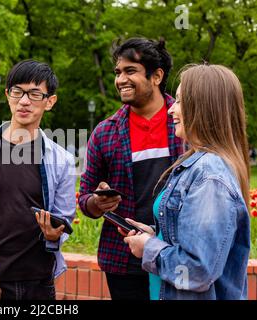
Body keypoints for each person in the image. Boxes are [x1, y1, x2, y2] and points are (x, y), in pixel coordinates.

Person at [123, 64, 251, 300]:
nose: (171, 109)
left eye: (180, 101)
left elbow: (197, 270)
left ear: (204, 108)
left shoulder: (208, 175)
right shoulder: (198, 164)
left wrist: (148, 248)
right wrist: (155, 236)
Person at [78, 38, 183, 300]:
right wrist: (97, 202)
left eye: (130, 71)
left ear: (156, 76)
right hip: (124, 261)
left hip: (177, 254)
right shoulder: (105, 133)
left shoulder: (186, 123)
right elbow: (84, 200)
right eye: (117, 72)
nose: (120, 79)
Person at [0, 60, 76, 300]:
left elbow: (65, 218)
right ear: (7, 95)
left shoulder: (62, 161)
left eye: (35, 94)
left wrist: (54, 234)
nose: (24, 101)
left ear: (50, 102)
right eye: (17, 91)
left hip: (37, 282)